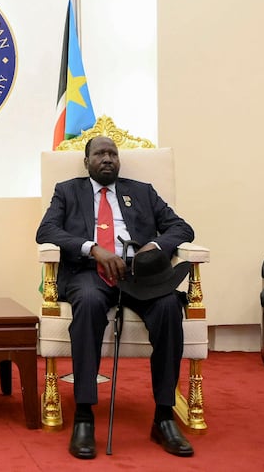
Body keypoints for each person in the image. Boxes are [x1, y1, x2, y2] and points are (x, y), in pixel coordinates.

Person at [36, 136, 196, 459]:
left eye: (113, 154)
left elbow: (181, 228)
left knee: (167, 307)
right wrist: (92, 249)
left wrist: (156, 246)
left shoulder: (143, 191)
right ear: (87, 161)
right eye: (100, 154)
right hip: (88, 273)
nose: (107, 159)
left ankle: (163, 416)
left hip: (140, 276)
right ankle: (84, 415)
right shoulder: (67, 191)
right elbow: (47, 231)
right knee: (90, 304)